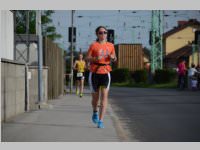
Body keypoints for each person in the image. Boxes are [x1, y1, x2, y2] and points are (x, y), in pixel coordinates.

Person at [86, 26, 117, 128]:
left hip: (106, 72)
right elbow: (87, 58)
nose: (103, 34)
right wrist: (95, 58)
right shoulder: (93, 45)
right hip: (94, 73)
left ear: (107, 34)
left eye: (105, 32)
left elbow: (114, 58)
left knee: (104, 97)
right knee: (95, 98)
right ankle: (95, 111)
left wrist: (113, 58)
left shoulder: (111, 45)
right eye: (100, 32)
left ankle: (101, 120)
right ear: (97, 34)